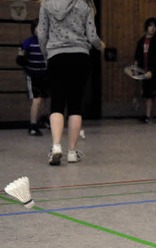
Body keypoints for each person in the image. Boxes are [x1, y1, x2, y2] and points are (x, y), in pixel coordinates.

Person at [37, 0, 103, 165]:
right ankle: (72, 152)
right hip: (80, 57)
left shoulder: (46, 4)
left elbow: (41, 34)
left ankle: (56, 146)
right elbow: (92, 36)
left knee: (57, 103)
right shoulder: (85, 5)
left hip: (56, 56)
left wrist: (47, 55)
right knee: (75, 105)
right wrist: (99, 45)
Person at [16, 18, 49, 137]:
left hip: (46, 75)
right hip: (33, 76)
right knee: (37, 99)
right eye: (38, 27)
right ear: (33, 29)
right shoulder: (27, 43)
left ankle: (46, 119)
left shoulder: (48, 43)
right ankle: (33, 126)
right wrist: (21, 57)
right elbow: (19, 60)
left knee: (48, 99)